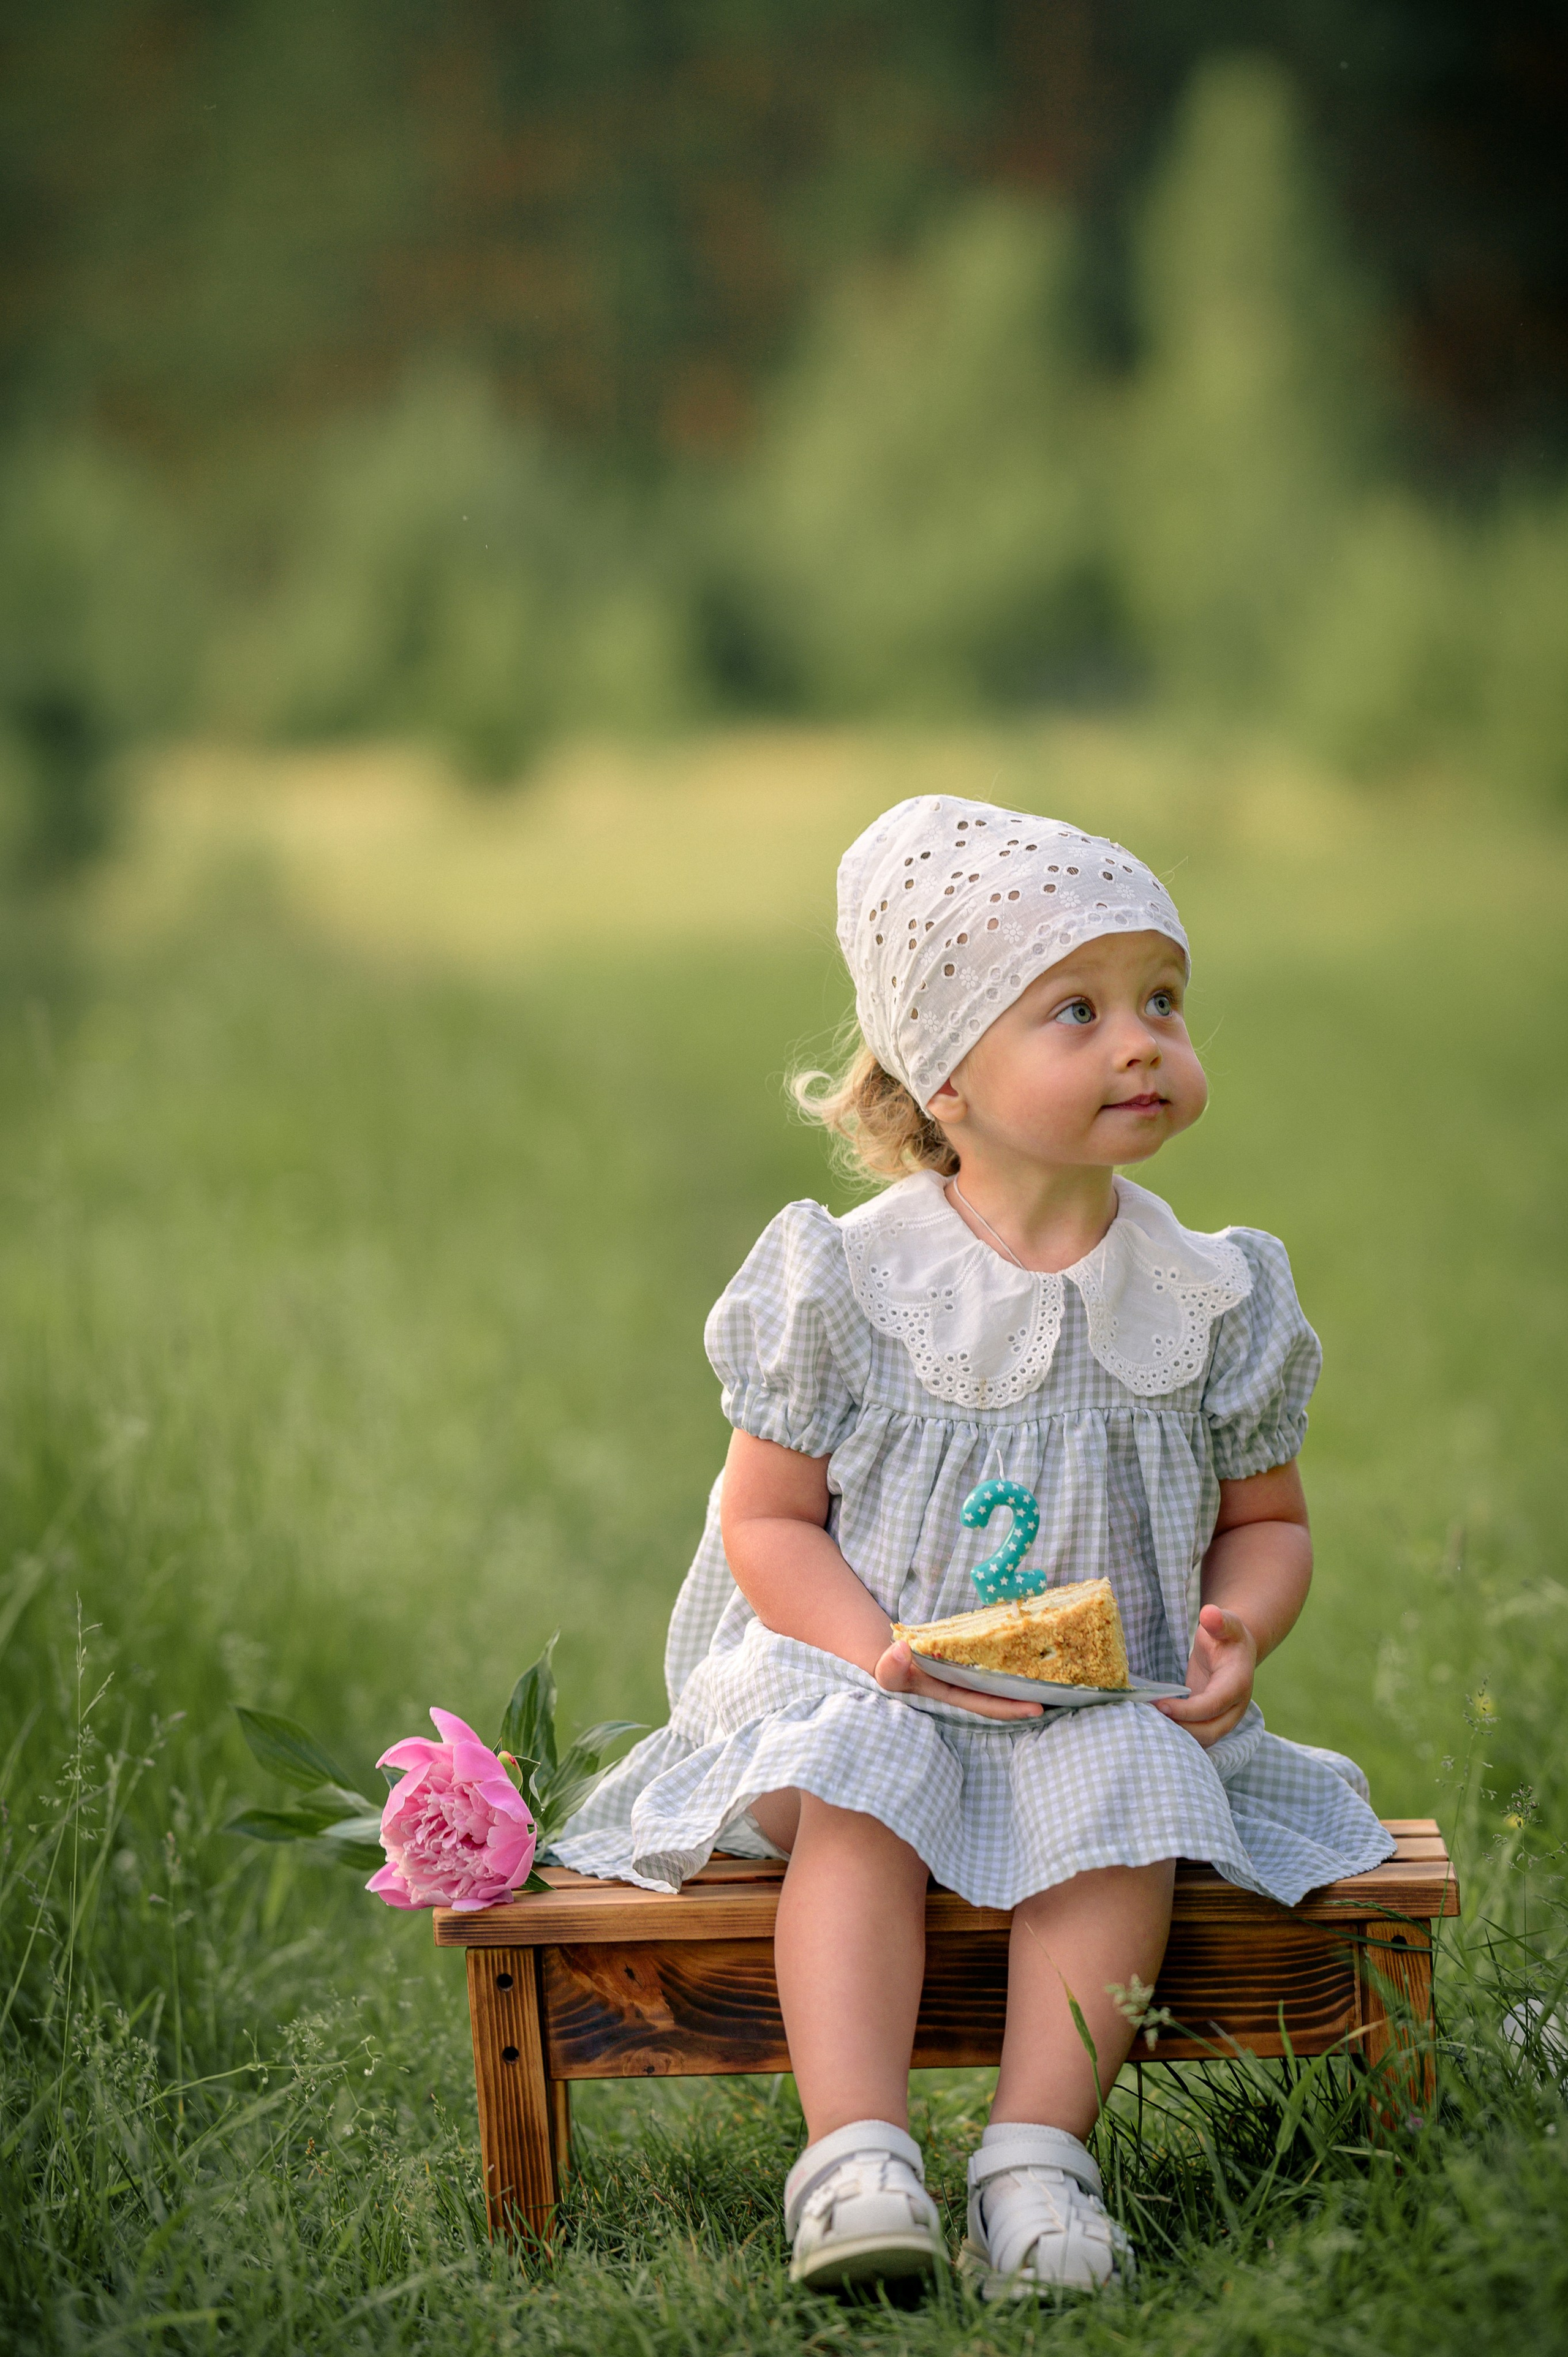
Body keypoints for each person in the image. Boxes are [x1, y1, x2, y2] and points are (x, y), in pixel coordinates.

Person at [554, 796, 1391, 2298]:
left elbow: (1265, 1524)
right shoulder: (852, 1280)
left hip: (1098, 1702)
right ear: (943, 1076)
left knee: (1134, 1792)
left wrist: (1236, 1632)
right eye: (1076, 1008)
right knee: (864, 1782)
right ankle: (859, 2158)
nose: (1139, 1039)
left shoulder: (1210, 1294)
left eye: (1161, 1000)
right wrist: (862, 1646)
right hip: (868, 1676)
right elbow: (765, 1516)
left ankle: (1035, 2160)